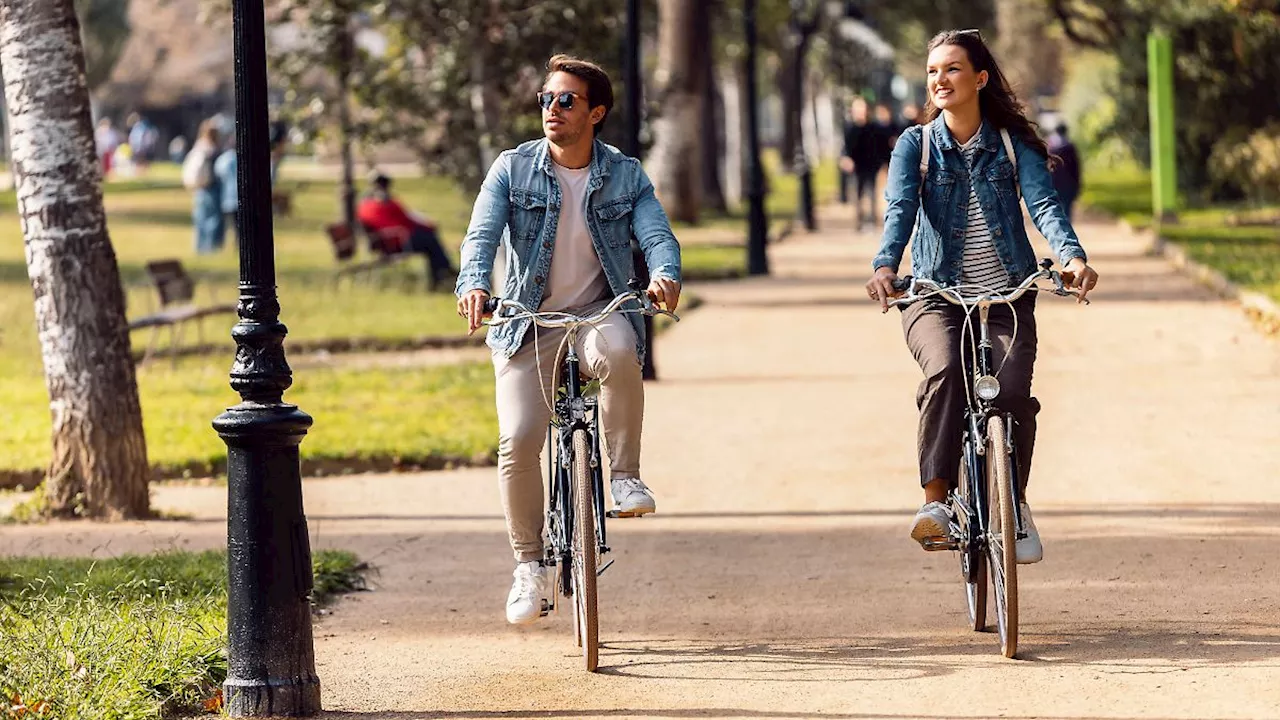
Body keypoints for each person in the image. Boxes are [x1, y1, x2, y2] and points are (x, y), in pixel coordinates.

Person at [455, 54, 681, 625]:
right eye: (546, 100)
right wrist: (475, 284)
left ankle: (625, 477)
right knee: (519, 437)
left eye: (566, 101)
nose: (552, 110)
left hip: (597, 311)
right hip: (525, 320)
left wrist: (664, 273)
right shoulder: (512, 168)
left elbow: (656, 233)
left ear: (595, 112)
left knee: (622, 352)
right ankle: (528, 566)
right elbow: (480, 236)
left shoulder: (625, 173)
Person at [865, 29, 1100, 565]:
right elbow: (899, 210)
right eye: (932, 72)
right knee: (946, 371)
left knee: (1013, 394)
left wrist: (1071, 256)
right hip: (932, 293)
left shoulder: (1012, 144)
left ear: (979, 78)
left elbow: (1043, 205)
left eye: (951, 69)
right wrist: (885, 266)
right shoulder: (916, 146)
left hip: (1008, 294)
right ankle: (937, 503)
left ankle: (1012, 504)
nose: (940, 80)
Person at [357, 172, 458, 290]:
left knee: (428, 240)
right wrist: (429, 226)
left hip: (383, 242)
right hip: (396, 241)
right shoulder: (386, 203)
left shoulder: (364, 205)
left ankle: (442, 272)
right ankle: (442, 274)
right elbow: (406, 219)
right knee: (430, 241)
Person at [840, 97, 889, 231]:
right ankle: (859, 221)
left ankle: (873, 220)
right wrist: (845, 158)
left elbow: (882, 146)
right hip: (856, 166)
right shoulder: (849, 127)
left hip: (871, 164)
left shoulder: (874, 127)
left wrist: (885, 162)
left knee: (872, 192)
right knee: (857, 193)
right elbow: (845, 146)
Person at [182, 120, 226, 254]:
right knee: (214, 219)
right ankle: (211, 247)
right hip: (211, 187)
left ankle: (200, 247)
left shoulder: (198, 147)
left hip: (200, 188)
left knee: (201, 218)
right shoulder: (213, 150)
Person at [1047, 122, 1082, 219]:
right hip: (1069, 184)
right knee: (1067, 210)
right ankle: (1067, 230)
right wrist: (1077, 185)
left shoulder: (1050, 148)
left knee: (1056, 209)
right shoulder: (1070, 147)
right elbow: (1076, 168)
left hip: (1054, 183)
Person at [214, 138, 239, 248]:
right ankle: (238, 244)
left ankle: (228, 244)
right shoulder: (242, 158)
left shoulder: (223, 159)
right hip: (239, 197)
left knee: (230, 224)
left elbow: (218, 174)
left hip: (227, 197)